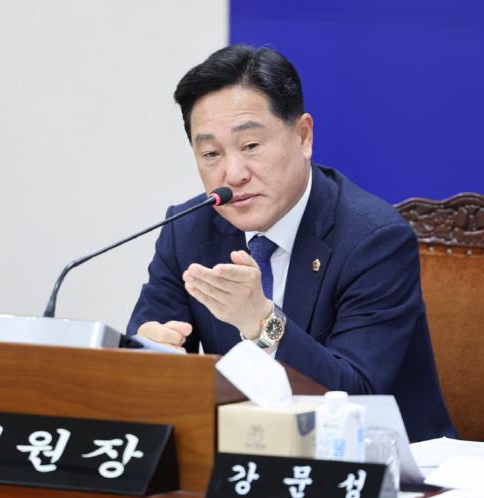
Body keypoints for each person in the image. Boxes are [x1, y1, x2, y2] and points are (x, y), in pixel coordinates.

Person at [127, 44, 455, 441]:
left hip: (380, 459)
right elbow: (147, 347)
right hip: (246, 454)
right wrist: (150, 355)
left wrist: (262, 323)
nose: (233, 174)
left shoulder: (374, 240)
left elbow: (357, 395)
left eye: (250, 146)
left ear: (303, 137)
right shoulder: (187, 230)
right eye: (211, 153)